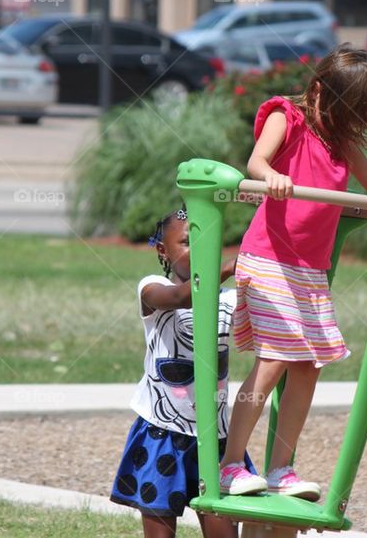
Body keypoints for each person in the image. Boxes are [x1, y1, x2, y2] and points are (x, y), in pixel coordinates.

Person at [218, 44, 367, 501]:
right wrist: (272, 177)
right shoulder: (287, 117)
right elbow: (255, 162)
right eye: (345, 114)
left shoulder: (340, 139)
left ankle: (282, 468)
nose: (349, 127)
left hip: (309, 271)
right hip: (269, 259)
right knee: (273, 362)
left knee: (308, 367)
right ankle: (230, 464)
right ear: (318, 91)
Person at [111, 207, 256, 538]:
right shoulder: (152, 288)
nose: (201, 250)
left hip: (216, 438)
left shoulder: (230, 300)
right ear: (163, 250)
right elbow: (179, 296)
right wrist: (228, 267)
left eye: (210, 242)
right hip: (162, 434)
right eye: (189, 242)